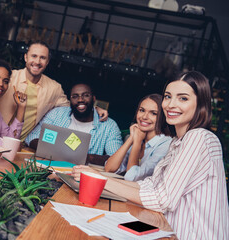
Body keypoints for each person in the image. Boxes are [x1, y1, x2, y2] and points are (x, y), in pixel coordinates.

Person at [73, 71, 229, 239]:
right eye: (168, 97)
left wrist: (100, 179)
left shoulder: (199, 137)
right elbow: (150, 184)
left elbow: (162, 199)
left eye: (183, 98)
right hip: (167, 232)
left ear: (200, 105)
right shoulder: (178, 142)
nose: (170, 104)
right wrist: (94, 176)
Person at [0, 41, 108, 141]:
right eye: (34, 56)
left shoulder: (54, 88)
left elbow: (72, 106)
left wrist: (94, 108)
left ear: (47, 62)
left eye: (42, 58)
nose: (37, 61)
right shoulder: (8, 77)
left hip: (20, 144)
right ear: (26, 57)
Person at [25, 83, 122, 165]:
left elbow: (117, 160)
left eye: (86, 95)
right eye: (75, 96)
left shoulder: (109, 126)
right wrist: (62, 153)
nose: (80, 99)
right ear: (70, 100)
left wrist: (86, 158)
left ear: (93, 99)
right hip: (47, 168)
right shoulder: (56, 114)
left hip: (80, 177)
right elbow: (31, 138)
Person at [102, 94, 172, 181]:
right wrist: (131, 139)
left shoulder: (166, 144)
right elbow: (109, 168)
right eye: (142, 110)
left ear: (163, 118)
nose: (144, 117)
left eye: (153, 113)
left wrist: (137, 142)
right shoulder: (138, 136)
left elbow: (132, 178)